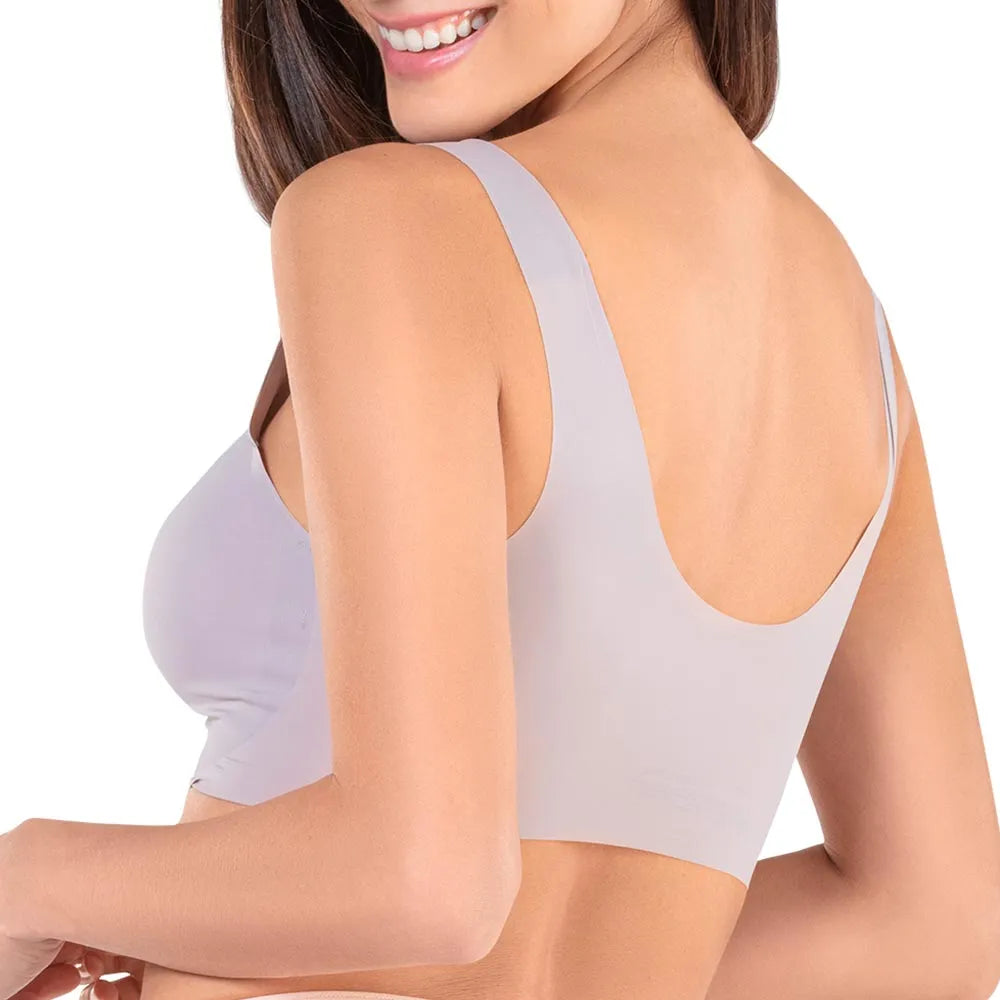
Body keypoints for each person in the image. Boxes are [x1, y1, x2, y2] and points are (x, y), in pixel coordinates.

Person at [3, 1, 1000, 1000]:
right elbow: (937, 926)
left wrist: (34, 880)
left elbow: (424, 876)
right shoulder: (852, 338)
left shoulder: (400, 218)